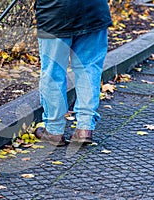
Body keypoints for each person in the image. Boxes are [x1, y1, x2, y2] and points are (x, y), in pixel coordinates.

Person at [34, 0, 112, 146]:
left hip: (55, 14)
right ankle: (84, 128)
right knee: (89, 68)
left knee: (53, 72)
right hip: (94, 10)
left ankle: (54, 130)